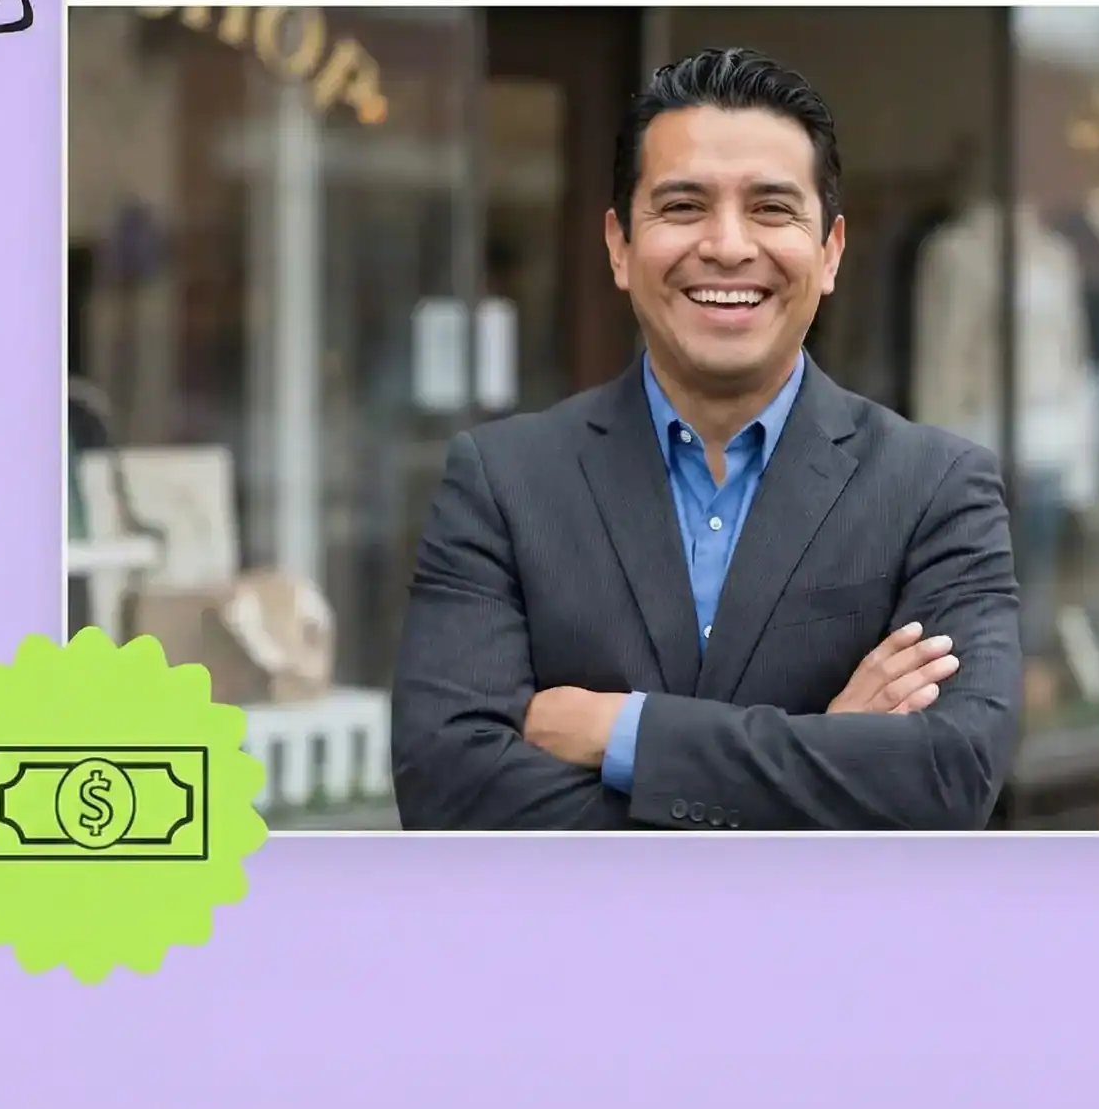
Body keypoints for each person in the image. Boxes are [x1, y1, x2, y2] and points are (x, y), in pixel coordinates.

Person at [391, 48, 1023, 830]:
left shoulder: (937, 490)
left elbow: (950, 776)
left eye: (771, 208)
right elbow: (448, 792)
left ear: (830, 252)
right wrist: (828, 752)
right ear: (620, 246)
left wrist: (621, 731)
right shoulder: (502, 483)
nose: (727, 246)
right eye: (684, 206)